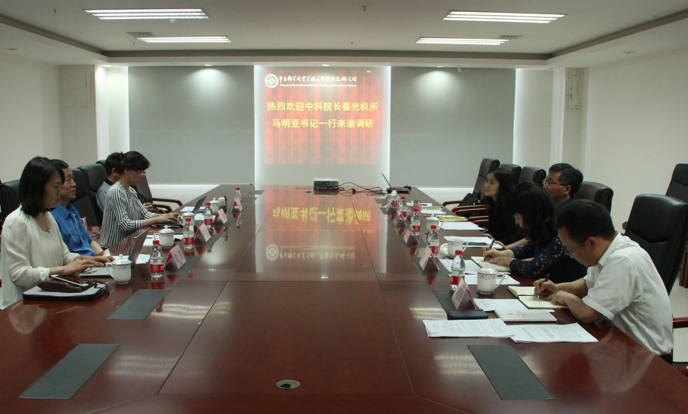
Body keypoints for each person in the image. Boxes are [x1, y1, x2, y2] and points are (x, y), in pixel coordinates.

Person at [534, 200, 673, 361]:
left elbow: (588, 313)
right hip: (618, 345)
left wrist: (565, 297)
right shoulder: (607, 250)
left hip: (647, 359)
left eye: (571, 250)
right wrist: (557, 288)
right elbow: (588, 284)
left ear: (591, 243)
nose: (570, 256)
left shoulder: (624, 260)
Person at [0, 157, 110, 310]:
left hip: (48, 298)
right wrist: (63, 270)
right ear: (38, 188)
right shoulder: (17, 222)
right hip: (22, 308)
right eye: (55, 186)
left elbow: (64, 256)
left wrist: (88, 260)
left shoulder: (47, 216)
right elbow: (19, 275)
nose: (59, 192)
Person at [482, 182, 587, 283]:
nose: (516, 222)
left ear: (530, 215)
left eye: (517, 218)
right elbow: (527, 249)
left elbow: (534, 268)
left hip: (564, 288)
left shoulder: (562, 231)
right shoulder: (544, 225)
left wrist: (507, 261)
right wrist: (502, 254)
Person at [100, 151, 178, 246]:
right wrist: (157, 220)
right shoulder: (115, 191)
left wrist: (165, 216)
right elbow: (126, 225)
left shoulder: (131, 190)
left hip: (130, 241)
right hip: (115, 246)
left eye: (143, 172)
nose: (142, 176)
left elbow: (145, 214)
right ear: (127, 170)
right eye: (139, 172)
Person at [49, 159, 110, 256]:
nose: (74, 184)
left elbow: (90, 241)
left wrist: (104, 257)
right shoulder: (52, 217)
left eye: (72, 178)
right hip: (80, 263)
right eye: (68, 180)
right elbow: (65, 257)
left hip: (93, 261)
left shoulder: (71, 209)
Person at [482, 168, 522, 245]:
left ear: (503, 186)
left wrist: (495, 242)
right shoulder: (493, 203)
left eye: (492, 182)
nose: (487, 185)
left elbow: (515, 237)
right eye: (487, 181)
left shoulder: (507, 207)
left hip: (506, 248)